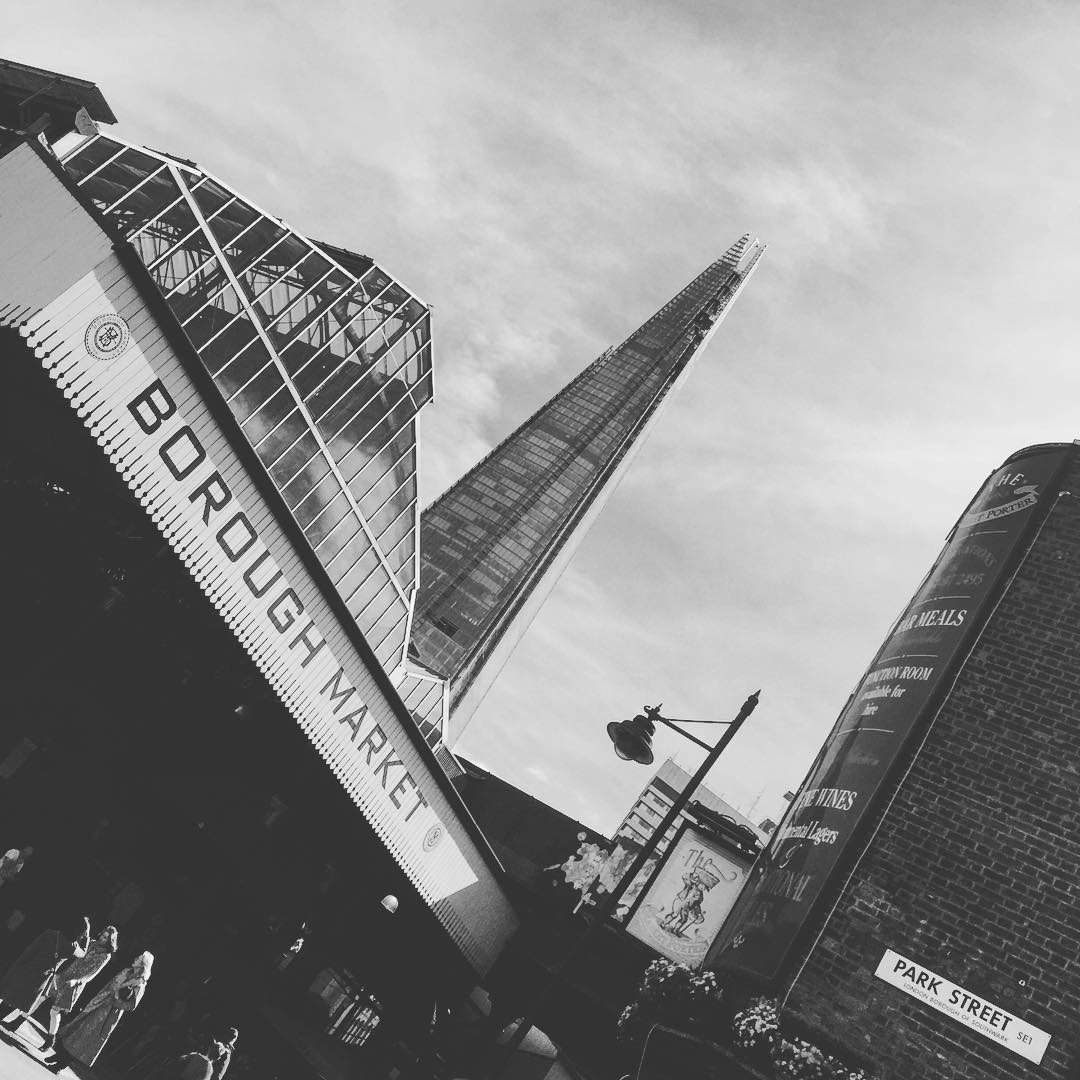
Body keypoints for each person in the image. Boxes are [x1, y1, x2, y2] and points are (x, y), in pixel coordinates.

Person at [52, 950, 153, 1071]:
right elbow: (109, 985)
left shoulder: (140, 984)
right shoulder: (126, 971)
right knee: (77, 1029)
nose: (135, 958)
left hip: (108, 1014)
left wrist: (117, 1001)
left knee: (86, 1038)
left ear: (143, 965)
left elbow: (131, 1006)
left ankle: (61, 1064)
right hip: (99, 1002)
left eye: (139, 958)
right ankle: (60, 1056)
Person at [31, 923, 118, 1051]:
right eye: (102, 935)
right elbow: (77, 950)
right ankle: (18, 1021)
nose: (102, 939)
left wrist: (76, 981)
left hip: (75, 983)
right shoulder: (92, 943)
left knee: (54, 1011)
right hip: (65, 975)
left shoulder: (105, 955)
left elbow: (92, 974)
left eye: (106, 938)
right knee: (41, 996)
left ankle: (50, 1039)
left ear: (110, 941)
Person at [0, 914, 90, 1027]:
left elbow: (30, 950)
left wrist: (18, 965)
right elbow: (83, 954)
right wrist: (87, 937)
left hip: (28, 968)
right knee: (18, 1001)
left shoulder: (50, 933)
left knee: (10, 996)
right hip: (41, 978)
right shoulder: (72, 948)